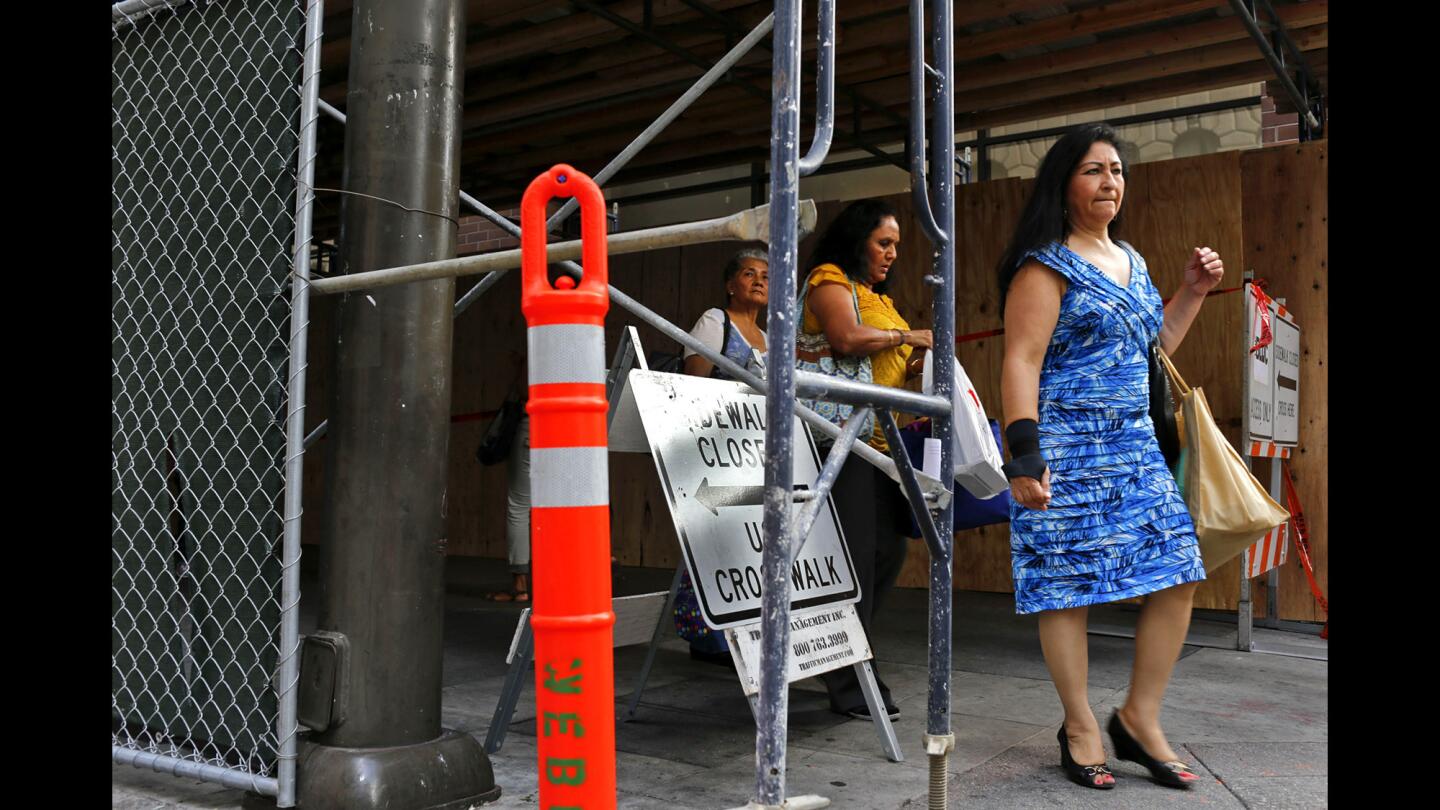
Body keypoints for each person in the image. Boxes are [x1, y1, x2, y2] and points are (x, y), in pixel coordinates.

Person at [996, 123, 1224, 790]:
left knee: (1178, 569)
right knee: (1065, 588)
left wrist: (1192, 293)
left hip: (1134, 446)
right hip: (1065, 446)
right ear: (1064, 182)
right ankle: (1079, 725)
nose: (1110, 182)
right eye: (1095, 170)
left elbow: (1152, 354)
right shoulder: (1045, 262)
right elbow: (1021, 360)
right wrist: (1024, 454)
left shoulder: (1134, 260)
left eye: (1118, 171)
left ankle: (1138, 718)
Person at [799, 199, 932, 719]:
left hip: (877, 445)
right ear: (857, 239)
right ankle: (850, 676)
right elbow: (847, 339)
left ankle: (846, 655)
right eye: (883, 243)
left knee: (888, 552)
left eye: (896, 246)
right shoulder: (830, 278)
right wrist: (906, 336)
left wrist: (914, 355)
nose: (892, 254)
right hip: (835, 437)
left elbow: (889, 356)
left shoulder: (880, 298)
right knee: (854, 558)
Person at [672, 248, 770, 663]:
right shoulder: (716, 321)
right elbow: (694, 382)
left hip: (753, 450)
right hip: (714, 449)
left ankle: (744, 634)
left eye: (765, 275)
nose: (759, 281)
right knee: (715, 536)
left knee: (747, 541)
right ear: (731, 284)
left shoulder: (769, 339)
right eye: (749, 273)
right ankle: (706, 635)